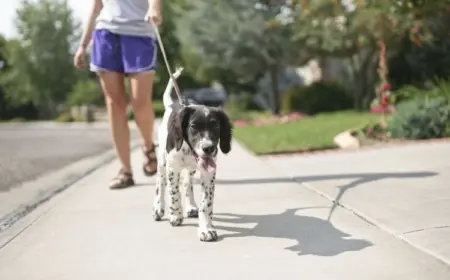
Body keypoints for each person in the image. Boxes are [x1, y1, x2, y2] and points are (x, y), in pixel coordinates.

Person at [73, 0, 162, 189]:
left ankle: (148, 145)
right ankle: (126, 170)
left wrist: (154, 8)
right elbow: (96, 7)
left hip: (139, 34)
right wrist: (82, 45)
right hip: (106, 33)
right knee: (114, 104)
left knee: (140, 103)